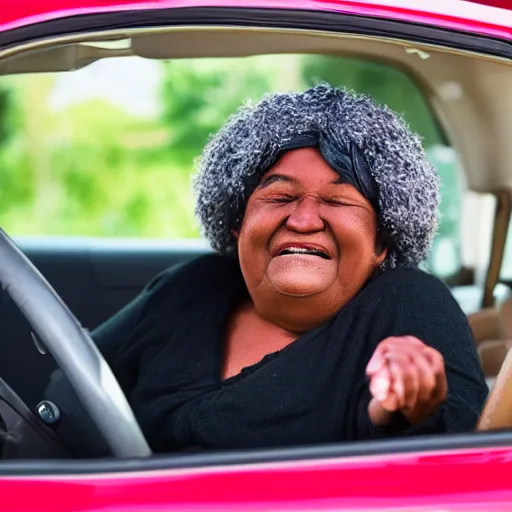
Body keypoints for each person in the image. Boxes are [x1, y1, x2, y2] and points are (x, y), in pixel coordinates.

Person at [44, 84, 488, 457]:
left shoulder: (407, 301)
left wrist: (406, 412)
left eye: (337, 201)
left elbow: (461, 460)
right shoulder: (192, 286)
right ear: (238, 223)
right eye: (279, 197)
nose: (303, 219)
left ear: (381, 242)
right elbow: (69, 392)